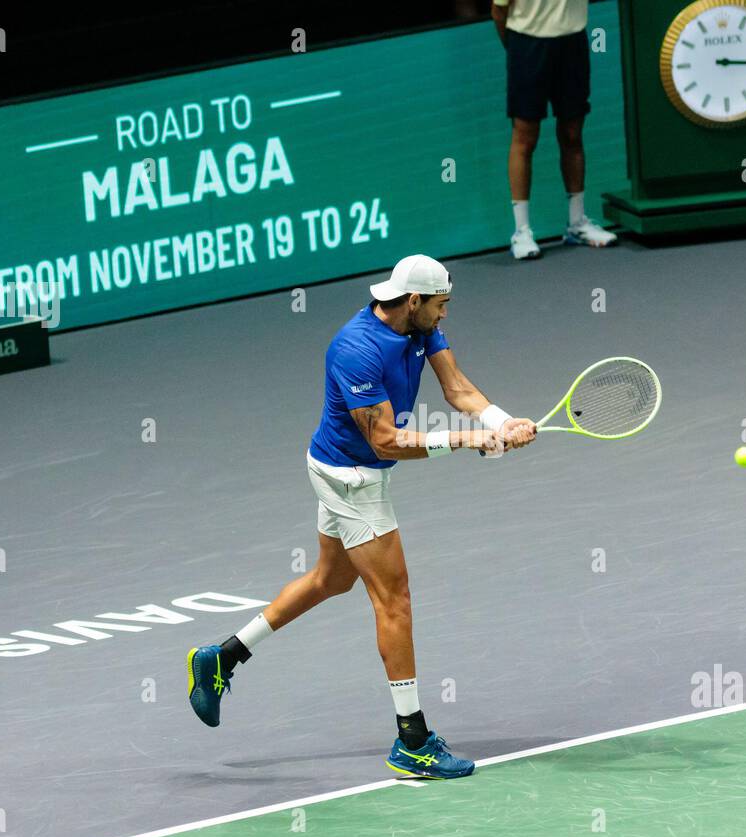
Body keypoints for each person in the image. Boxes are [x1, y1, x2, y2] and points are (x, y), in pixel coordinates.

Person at [186, 254, 537, 779]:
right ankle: (412, 741)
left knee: (330, 579)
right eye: (440, 306)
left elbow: (457, 387)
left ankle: (224, 657)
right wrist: (467, 440)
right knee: (394, 600)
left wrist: (503, 422)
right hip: (352, 477)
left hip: (344, 468)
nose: (444, 316)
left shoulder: (420, 328)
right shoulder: (355, 350)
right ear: (413, 301)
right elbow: (385, 441)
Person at [492, 0, 618, 259]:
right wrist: (518, 50)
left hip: (572, 41)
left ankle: (576, 224)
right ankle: (521, 232)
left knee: (573, 133)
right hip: (527, 44)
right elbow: (498, 11)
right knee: (525, 137)